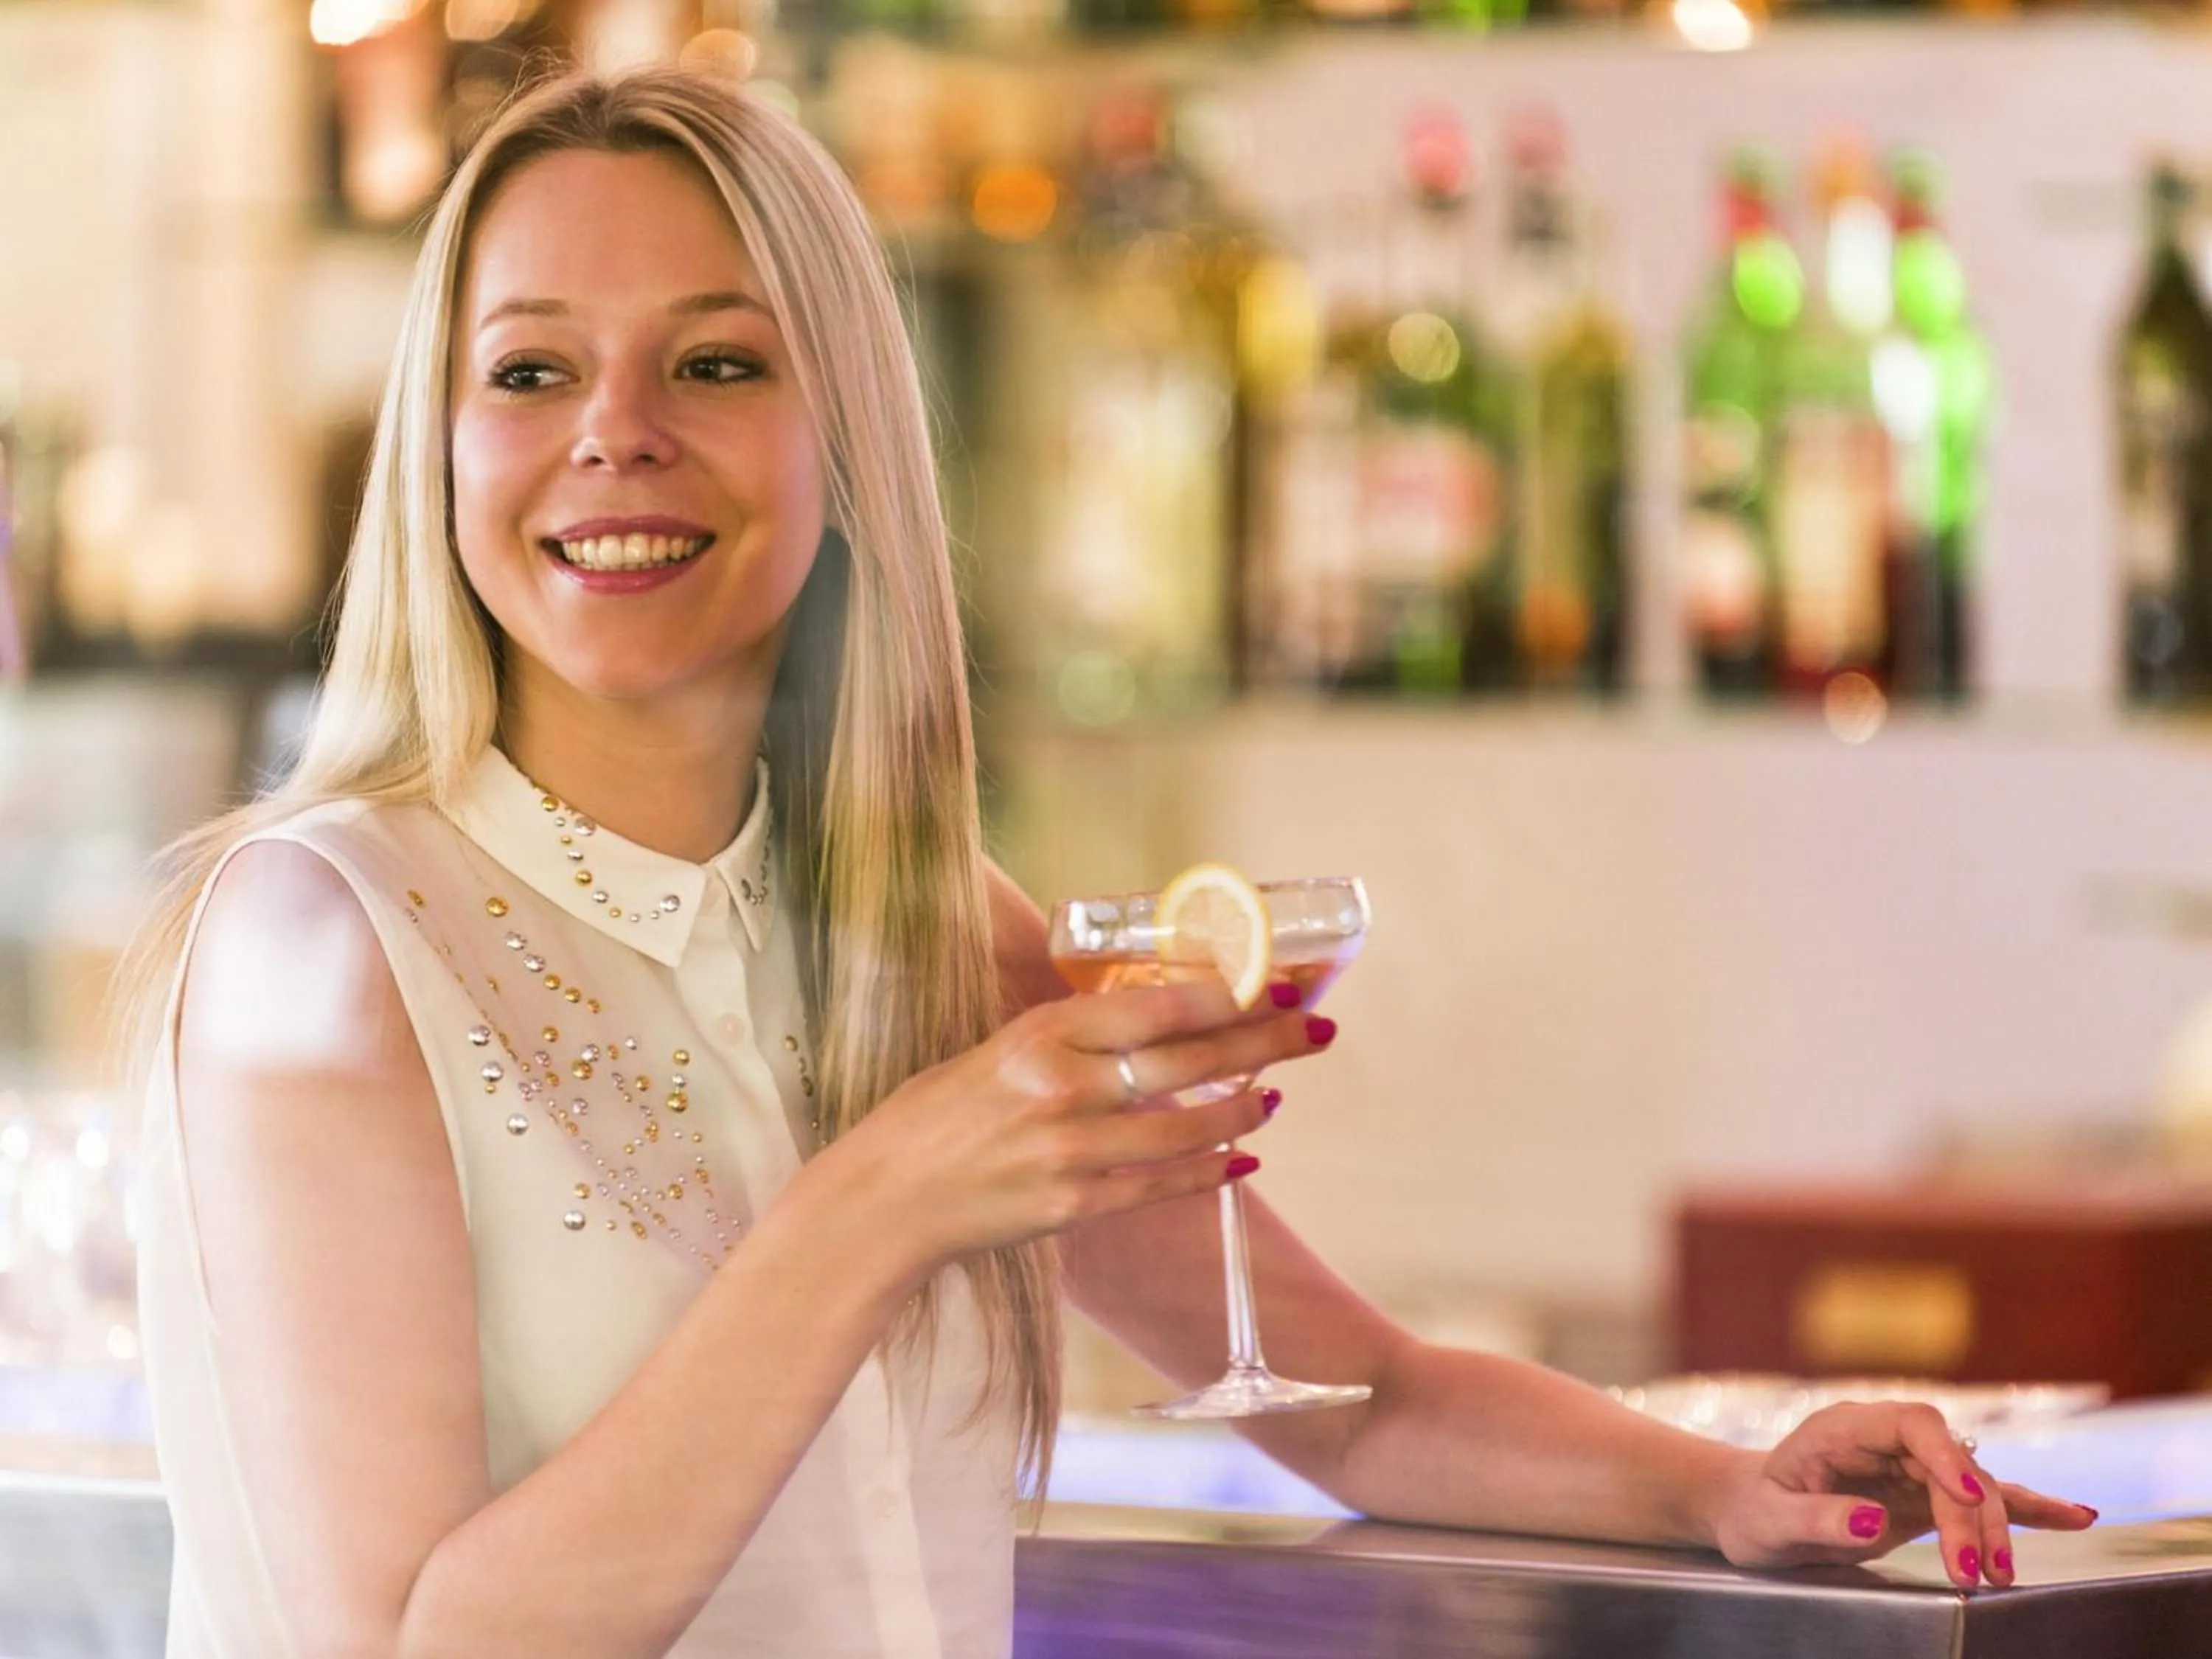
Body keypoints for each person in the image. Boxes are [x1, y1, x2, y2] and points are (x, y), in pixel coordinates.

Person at [122, 66, 2093, 1659]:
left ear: (848, 440)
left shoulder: (920, 934)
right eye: (529, 372)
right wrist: (876, 1205)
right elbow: (414, 1645)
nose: (615, 438)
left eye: (717, 365)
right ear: (436, 447)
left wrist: (1717, 1483)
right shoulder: (327, 937)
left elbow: (1358, 1398)